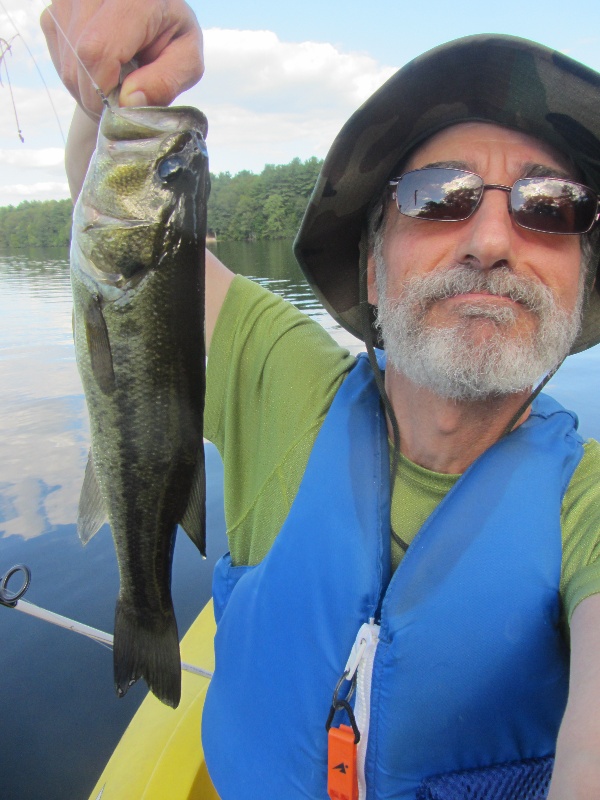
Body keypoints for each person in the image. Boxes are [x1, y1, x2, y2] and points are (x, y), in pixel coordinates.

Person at [41, 2, 600, 798]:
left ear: (584, 277)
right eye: (441, 196)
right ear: (373, 267)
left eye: (550, 205)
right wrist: (114, 94)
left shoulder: (588, 503)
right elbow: (129, 256)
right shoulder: (284, 377)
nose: (492, 239)